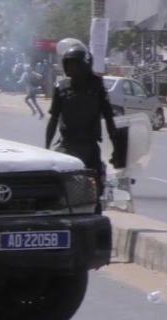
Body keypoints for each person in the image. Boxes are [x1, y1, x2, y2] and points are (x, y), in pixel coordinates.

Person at [45, 45, 121, 214]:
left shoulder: (97, 88)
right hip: (67, 146)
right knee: (56, 184)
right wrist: (46, 149)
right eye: (68, 64)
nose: (71, 68)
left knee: (95, 190)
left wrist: (117, 149)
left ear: (85, 65)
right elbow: (53, 119)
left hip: (89, 147)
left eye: (75, 64)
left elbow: (109, 119)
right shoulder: (61, 88)